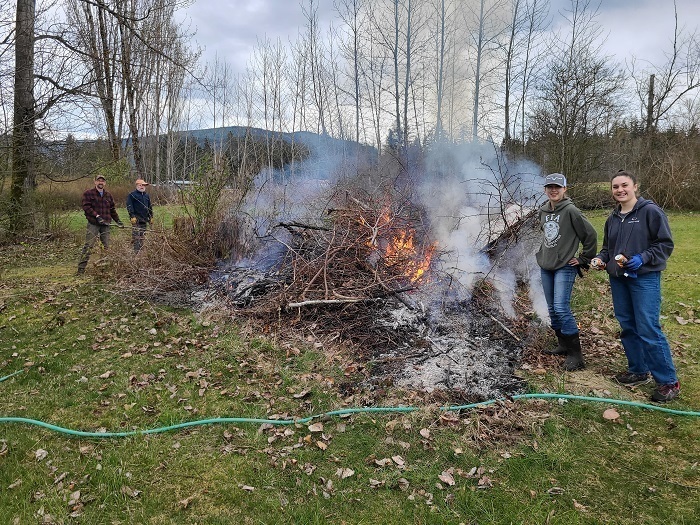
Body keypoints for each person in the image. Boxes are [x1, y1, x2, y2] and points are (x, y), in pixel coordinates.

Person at [591, 170, 679, 402]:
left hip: (644, 278)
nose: (620, 190)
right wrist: (602, 259)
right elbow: (608, 249)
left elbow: (665, 244)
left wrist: (644, 257)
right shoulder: (612, 218)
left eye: (624, 185)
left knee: (648, 327)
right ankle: (638, 370)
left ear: (635, 187)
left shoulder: (650, 211)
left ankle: (669, 381)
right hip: (619, 279)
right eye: (615, 187)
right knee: (628, 325)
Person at [536, 173, 598, 371]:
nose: (553, 190)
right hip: (546, 266)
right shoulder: (543, 211)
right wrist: (543, 253)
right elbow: (547, 235)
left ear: (565, 189)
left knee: (561, 308)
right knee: (552, 309)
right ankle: (563, 344)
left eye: (557, 187)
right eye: (550, 187)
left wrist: (583, 258)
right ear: (545, 189)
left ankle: (576, 355)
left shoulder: (571, 210)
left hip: (565, 266)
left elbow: (590, 235)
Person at [77, 175, 123, 274]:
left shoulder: (108, 195)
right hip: (93, 223)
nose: (100, 182)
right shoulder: (88, 193)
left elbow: (112, 210)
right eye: (98, 181)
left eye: (102, 181)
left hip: (106, 224)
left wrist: (118, 220)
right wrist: (97, 216)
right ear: (95, 182)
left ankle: (104, 269)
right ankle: (81, 269)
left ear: (105, 183)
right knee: (89, 245)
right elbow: (86, 207)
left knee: (106, 247)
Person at [126, 178, 153, 253]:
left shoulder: (146, 195)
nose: (142, 187)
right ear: (137, 185)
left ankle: (141, 253)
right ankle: (136, 253)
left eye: (144, 185)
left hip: (144, 219)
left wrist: (151, 217)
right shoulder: (132, 195)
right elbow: (129, 206)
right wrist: (132, 216)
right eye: (141, 185)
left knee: (142, 237)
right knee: (136, 237)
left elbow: (149, 207)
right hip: (136, 220)